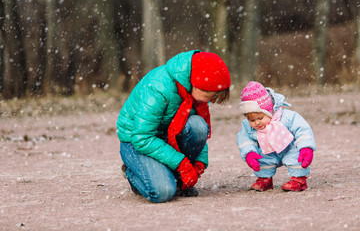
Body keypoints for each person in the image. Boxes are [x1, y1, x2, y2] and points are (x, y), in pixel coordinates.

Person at [116, 50, 231, 203]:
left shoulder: (193, 92)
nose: (214, 100)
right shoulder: (158, 87)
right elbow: (142, 137)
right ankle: (132, 171)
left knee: (198, 125)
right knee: (163, 192)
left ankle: (176, 179)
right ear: (197, 85)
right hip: (137, 142)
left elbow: (200, 131)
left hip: (167, 137)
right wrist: (182, 164)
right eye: (213, 96)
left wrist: (199, 164)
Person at [237, 81, 316, 192]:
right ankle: (265, 179)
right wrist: (249, 153)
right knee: (260, 158)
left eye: (260, 118)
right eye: (252, 120)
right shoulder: (247, 126)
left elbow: (302, 129)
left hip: (289, 147)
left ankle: (299, 180)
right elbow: (244, 139)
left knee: (296, 158)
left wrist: (306, 147)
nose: (257, 123)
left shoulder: (286, 117)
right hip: (267, 150)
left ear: (269, 111)